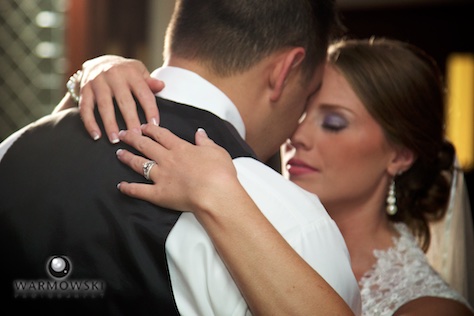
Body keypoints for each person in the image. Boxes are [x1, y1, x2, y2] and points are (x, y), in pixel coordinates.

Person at [0, 0, 362, 315]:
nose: (298, 129)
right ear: (285, 71)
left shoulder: (12, 150)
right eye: (310, 95)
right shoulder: (290, 222)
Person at [72, 38, 474, 315]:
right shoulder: (248, 206)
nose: (297, 136)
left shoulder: (430, 307)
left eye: (333, 122)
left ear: (400, 156)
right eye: (300, 113)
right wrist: (101, 71)